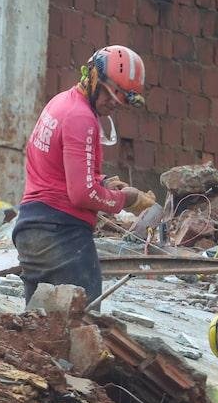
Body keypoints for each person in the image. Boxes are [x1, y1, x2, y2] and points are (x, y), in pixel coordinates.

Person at [13, 45, 155, 304]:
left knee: (37, 331)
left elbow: (56, 168)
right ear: (91, 78)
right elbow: (82, 194)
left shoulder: (60, 103)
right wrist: (126, 200)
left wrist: (102, 182)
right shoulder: (82, 118)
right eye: (110, 95)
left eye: (120, 100)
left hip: (31, 231)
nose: (113, 104)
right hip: (61, 236)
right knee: (82, 326)